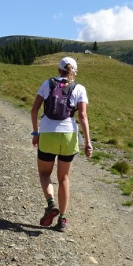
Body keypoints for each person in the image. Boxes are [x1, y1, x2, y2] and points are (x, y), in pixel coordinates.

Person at [30, 57, 92, 231]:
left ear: (58, 70)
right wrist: (88, 142)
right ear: (74, 72)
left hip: (47, 133)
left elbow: (34, 109)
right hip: (69, 135)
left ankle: (51, 203)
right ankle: (63, 219)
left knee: (44, 173)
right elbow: (83, 116)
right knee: (63, 177)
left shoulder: (47, 84)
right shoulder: (79, 88)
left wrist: (36, 133)